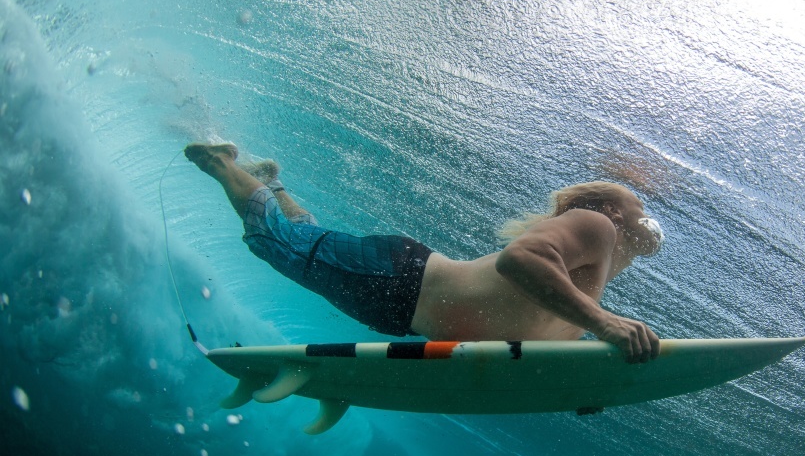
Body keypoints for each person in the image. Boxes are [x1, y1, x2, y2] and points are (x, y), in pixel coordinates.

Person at [184, 143, 664, 362]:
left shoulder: (587, 286)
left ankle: (272, 183)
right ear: (609, 210)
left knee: (303, 246)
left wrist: (587, 383)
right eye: (636, 200)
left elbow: (531, 333)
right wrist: (604, 324)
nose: (646, 209)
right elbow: (520, 260)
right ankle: (221, 160)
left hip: (401, 305)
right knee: (275, 244)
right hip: (398, 282)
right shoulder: (596, 224)